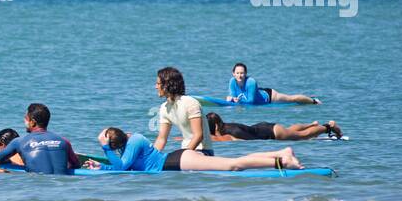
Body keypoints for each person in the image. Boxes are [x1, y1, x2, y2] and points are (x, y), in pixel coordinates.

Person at [96, 127, 303, 172]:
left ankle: (283, 163)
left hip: (175, 162)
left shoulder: (132, 143)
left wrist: (105, 151)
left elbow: (121, 169)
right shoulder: (128, 144)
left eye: (103, 137)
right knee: (234, 160)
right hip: (177, 159)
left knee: (233, 165)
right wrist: (102, 165)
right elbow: (123, 165)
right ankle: (281, 153)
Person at [0, 103, 87, 174]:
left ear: (32, 122)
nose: (24, 121)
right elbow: (76, 165)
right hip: (61, 187)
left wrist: (10, 162)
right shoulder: (64, 141)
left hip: (37, 188)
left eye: (26, 118)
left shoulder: (19, 142)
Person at [153, 66, 214, 163]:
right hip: (185, 152)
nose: (156, 87)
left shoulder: (190, 103)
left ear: (167, 85)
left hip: (203, 152)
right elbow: (161, 139)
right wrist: (151, 158)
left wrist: (184, 155)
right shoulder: (164, 108)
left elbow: (198, 135)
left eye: (158, 83)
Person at [207, 112, 343, 142]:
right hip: (264, 127)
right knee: (290, 130)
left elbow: (214, 139)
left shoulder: (227, 135)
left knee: (302, 136)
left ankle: (328, 127)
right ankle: (311, 124)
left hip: (273, 133)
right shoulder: (228, 126)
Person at [226, 62, 319, 105]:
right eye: (237, 73)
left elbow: (251, 101)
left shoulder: (251, 82)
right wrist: (231, 99)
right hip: (259, 93)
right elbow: (233, 97)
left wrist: (239, 102)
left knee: (292, 99)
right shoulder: (232, 81)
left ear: (245, 73)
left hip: (269, 96)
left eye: (242, 73)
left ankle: (313, 101)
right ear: (233, 73)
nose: (239, 75)